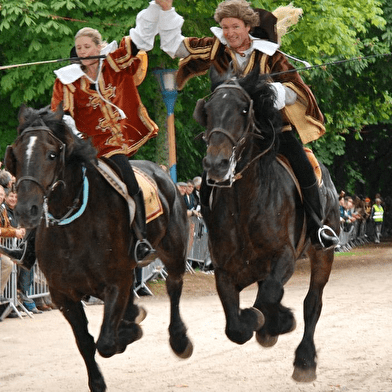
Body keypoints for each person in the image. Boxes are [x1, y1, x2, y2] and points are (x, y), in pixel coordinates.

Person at [133, 0, 339, 249]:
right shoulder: (216, 48)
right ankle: (214, 228)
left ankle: (318, 227)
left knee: (303, 164)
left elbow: (296, 91)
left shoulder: (271, 55)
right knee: (210, 171)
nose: (229, 33)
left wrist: (271, 91)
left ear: (248, 27)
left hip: (271, 131)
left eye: (235, 26)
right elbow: (175, 47)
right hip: (230, 131)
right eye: (225, 27)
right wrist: (166, 10)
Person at [11, 26, 160, 267]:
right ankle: (28, 248)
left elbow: (136, 43)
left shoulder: (112, 65)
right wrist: (74, 132)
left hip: (112, 145)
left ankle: (141, 240)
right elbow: (61, 112)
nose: (82, 51)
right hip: (81, 144)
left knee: (131, 183)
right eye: (79, 48)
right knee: (49, 183)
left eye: (87, 47)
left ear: (98, 47)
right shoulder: (68, 79)